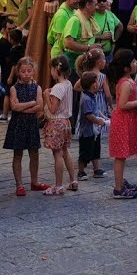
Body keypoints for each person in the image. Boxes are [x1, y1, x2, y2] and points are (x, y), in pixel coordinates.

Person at [3, 57, 44, 197]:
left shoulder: (37, 87)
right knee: (18, 154)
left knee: (34, 153)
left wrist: (22, 107)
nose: (26, 74)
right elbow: (14, 107)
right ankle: (19, 185)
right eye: (23, 71)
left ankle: (34, 181)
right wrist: (31, 103)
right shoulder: (14, 88)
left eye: (29, 71)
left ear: (33, 71)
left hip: (31, 124)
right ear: (18, 72)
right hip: (18, 124)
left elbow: (40, 106)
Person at [106, 49, 137, 199]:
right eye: (133, 62)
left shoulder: (127, 81)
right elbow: (122, 105)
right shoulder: (126, 83)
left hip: (125, 121)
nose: (136, 63)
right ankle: (118, 188)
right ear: (126, 68)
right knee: (120, 156)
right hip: (122, 122)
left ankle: (121, 182)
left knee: (122, 156)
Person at [42, 55, 79, 195]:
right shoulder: (68, 84)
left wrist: (46, 96)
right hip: (66, 122)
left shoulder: (57, 88)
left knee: (57, 154)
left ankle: (58, 185)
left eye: (51, 69)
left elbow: (53, 109)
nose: (51, 72)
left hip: (56, 123)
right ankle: (73, 180)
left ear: (56, 69)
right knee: (65, 151)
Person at [76, 70, 109, 179]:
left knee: (95, 150)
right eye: (96, 82)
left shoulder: (92, 96)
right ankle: (81, 171)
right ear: (93, 85)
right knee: (85, 152)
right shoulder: (86, 98)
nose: (98, 84)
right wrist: (99, 121)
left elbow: (96, 110)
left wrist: (103, 117)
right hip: (87, 132)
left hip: (94, 131)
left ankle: (96, 169)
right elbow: (89, 115)